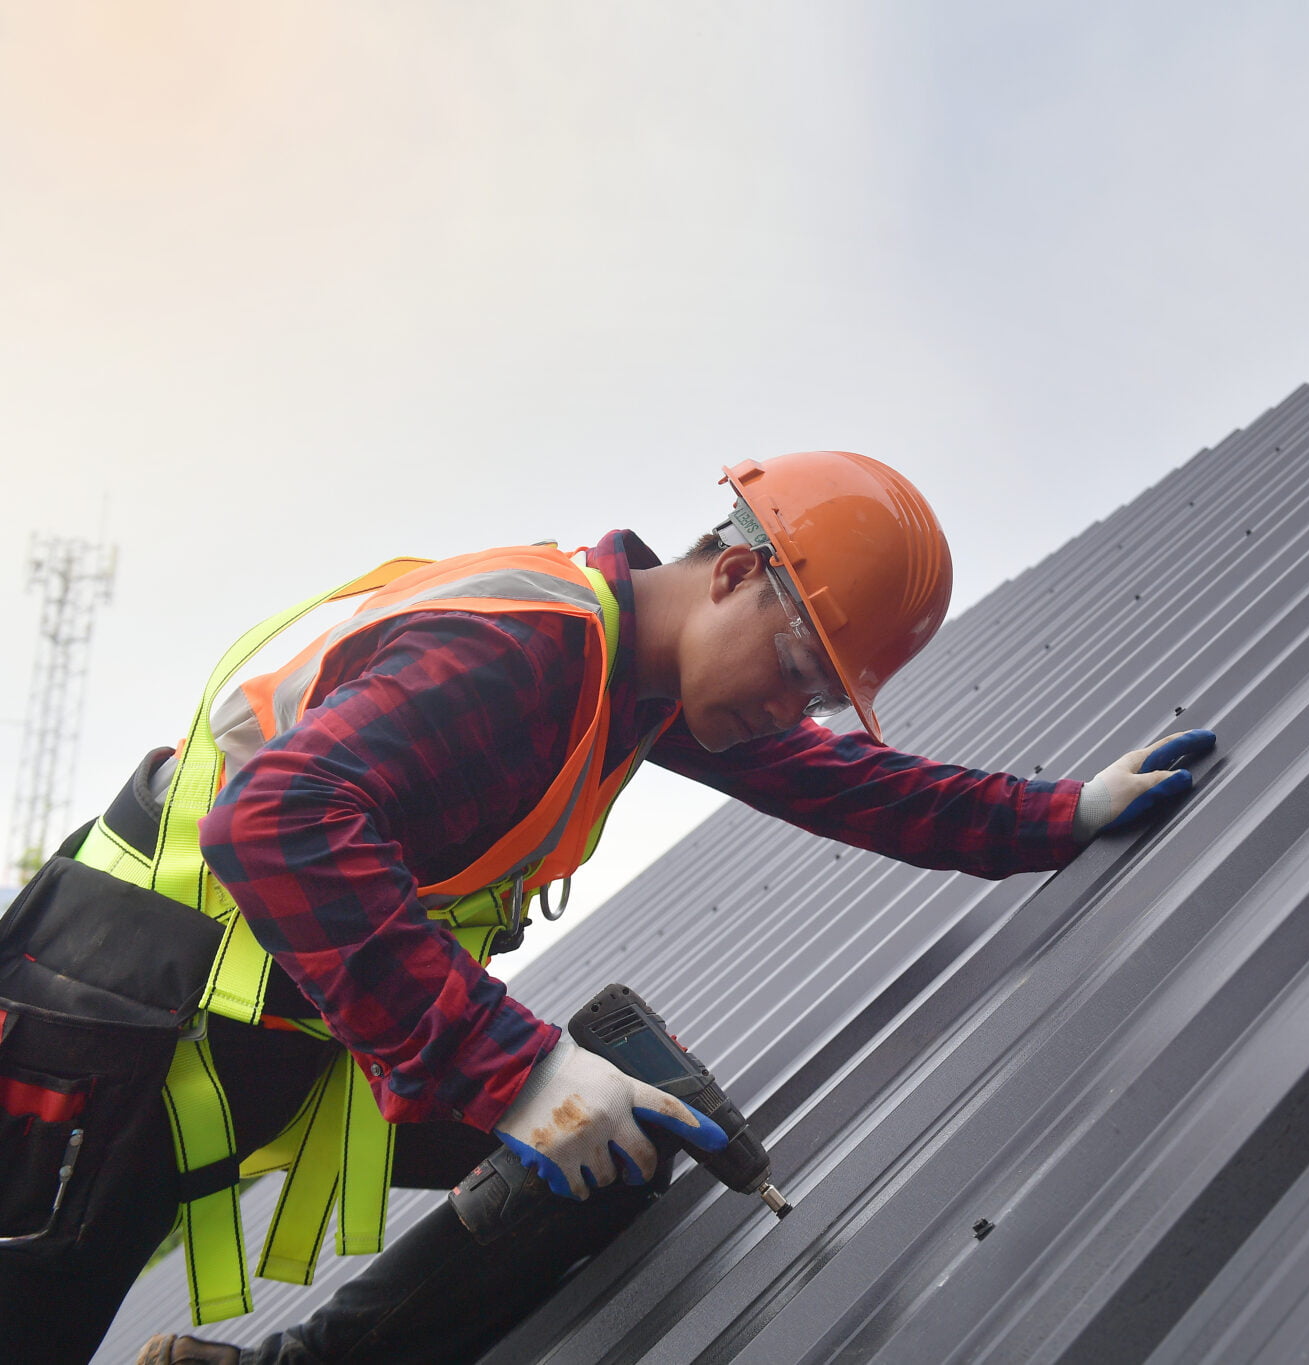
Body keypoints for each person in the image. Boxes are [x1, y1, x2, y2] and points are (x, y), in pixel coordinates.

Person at [0, 451, 1214, 1365]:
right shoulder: (532, 650)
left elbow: (847, 785)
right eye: (798, 675)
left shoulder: (638, 684)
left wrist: (1052, 818)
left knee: (625, 1148)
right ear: (735, 574)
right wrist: (518, 1070)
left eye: (821, 697)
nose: (796, 715)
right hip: (109, 1015)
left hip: (283, 1026)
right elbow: (271, 819)